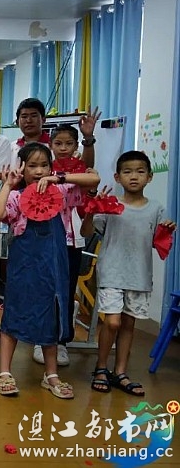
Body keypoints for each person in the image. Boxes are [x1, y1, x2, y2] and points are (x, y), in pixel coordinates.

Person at [0, 143, 99, 399]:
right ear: (22, 168)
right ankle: (4, 372)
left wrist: (58, 177)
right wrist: (8, 185)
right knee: (14, 313)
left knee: (52, 315)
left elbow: (94, 178)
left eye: (44, 165)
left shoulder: (62, 192)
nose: (39, 171)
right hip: (23, 268)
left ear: (51, 167)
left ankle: (51, 375)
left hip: (54, 267)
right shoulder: (17, 197)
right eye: (32, 166)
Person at [82, 151, 176, 395]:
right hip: (112, 272)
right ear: (117, 177)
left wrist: (167, 231)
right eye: (127, 172)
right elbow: (86, 232)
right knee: (112, 322)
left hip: (139, 275)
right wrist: (92, 209)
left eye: (140, 171)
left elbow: (158, 243)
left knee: (128, 324)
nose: (134, 176)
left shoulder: (156, 209)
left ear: (149, 177)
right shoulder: (111, 204)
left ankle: (120, 372)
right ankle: (101, 367)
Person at [32, 110, 101, 366]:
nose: (63, 148)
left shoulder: (78, 170)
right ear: (50, 145)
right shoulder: (43, 168)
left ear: (75, 147)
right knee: (43, 289)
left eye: (68, 143)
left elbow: (92, 175)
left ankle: (61, 341)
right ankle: (41, 338)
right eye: (58, 143)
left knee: (66, 290)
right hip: (44, 238)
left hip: (71, 241)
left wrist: (88, 138)